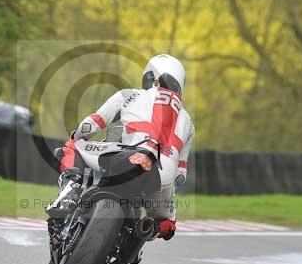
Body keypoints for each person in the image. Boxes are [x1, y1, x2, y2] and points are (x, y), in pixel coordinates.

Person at [46, 54, 194, 241]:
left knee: (72, 146)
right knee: (166, 225)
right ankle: (142, 233)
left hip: (125, 155)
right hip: (162, 174)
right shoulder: (188, 121)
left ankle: (70, 192)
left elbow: (91, 125)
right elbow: (181, 175)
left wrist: (78, 136)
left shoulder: (129, 94)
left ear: (148, 76)